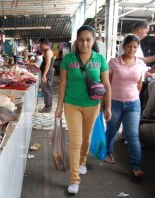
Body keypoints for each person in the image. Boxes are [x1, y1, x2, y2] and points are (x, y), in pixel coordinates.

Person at [55, 25, 112, 194]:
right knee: (76, 141)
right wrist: (59, 106)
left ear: (94, 40)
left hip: (92, 106)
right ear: (76, 41)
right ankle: (74, 179)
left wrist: (108, 106)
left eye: (88, 39)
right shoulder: (68, 60)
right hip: (71, 104)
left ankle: (82, 161)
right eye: (81, 39)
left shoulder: (100, 59)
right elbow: (63, 84)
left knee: (86, 139)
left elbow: (107, 84)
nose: (84, 43)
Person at [104, 35, 145, 178]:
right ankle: (108, 153)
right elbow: (107, 84)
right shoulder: (114, 62)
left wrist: (132, 96)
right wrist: (106, 104)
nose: (132, 49)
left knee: (132, 135)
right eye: (129, 46)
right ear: (123, 46)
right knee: (111, 131)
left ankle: (136, 166)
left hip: (133, 104)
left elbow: (139, 84)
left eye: (135, 47)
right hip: (115, 102)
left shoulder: (140, 64)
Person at [38, 37, 55, 113]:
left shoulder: (48, 52)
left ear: (44, 44)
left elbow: (48, 64)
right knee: (47, 89)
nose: (40, 46)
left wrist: (44, 75)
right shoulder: (47, 51)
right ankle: (48, 106)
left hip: (47, 74)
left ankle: (47, 107)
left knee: (46, 90)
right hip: (48, 73)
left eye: (40, 44)